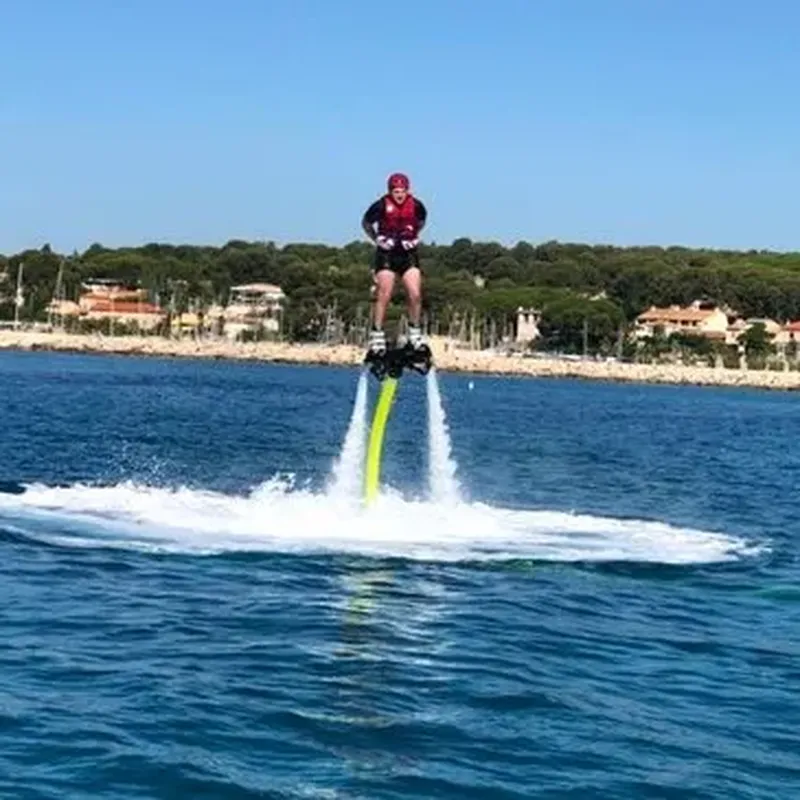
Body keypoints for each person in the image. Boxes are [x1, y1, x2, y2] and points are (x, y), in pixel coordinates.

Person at [361, 172, 427, 355]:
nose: (399, 194)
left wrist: (414, 236)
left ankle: (415, 332)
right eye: (396, 191)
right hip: (387, 254)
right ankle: (377, 334)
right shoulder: (380, 206)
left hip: (408, 253)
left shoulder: (417, 206)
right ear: (390, 191)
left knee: (415, 293)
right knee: (385, 293)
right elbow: (366, 223)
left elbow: (421, 222)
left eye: (402, 191)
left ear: (408, 190)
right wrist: (377, 239)